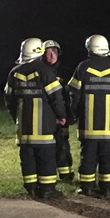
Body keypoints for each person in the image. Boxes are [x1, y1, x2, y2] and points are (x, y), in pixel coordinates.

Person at [4, 37, 67, 199]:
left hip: (24, 128)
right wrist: (61, 115)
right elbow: (56, 97)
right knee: (46, 159)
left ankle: (31, 188)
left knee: (28, 158)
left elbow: (9, 99)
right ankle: (47, 190)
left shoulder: (14, 72)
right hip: (44, 127)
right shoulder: (45, 71)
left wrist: (16, 117)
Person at [68, 35, 110, 198]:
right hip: (109, 124)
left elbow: (74, 94)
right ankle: (108, 188)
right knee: (107, 156)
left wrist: (74, 113)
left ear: (90, 48)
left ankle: (87, 187)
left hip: (88, 124)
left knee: (88, 156)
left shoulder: (83, 67)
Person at [42, 40, 75, 181]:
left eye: (54, 52)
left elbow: (70, 95)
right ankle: (47, 172)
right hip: (44, 113)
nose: (51, 55)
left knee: (62, 144)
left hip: (62, 114)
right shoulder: (39, 71)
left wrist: (70, 114)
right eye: (48, 52)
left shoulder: (65, 72)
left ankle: (65, 173)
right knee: (45, 145)